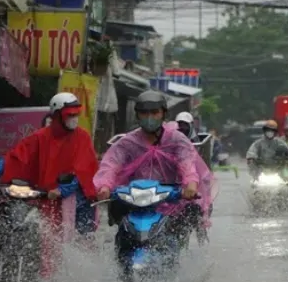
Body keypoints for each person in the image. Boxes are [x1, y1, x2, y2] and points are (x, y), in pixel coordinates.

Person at [0, 92, 100, 277]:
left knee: (81, 241)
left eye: (76, 115)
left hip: (77, 201)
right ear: (57, 115)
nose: (75, 119)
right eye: (70, 115)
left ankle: (81, 277)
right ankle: (44, 277)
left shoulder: (82, 138)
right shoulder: (40, 137)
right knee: (45, 239)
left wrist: (61, 190)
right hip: (46, 197)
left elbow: (84, 172)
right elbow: (15, 156)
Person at [93, 90, 216, 228]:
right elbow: (111, 164)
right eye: (144, 113)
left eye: (154, 112)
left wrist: (191, 186)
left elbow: (187, 164)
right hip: (136, 199)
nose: (149, 117)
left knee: (184, 222)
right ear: (137, 115)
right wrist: (104, 186)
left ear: (163, 113)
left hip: (171, 199)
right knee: (120, 224)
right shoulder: (128, 142)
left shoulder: (177, 140)